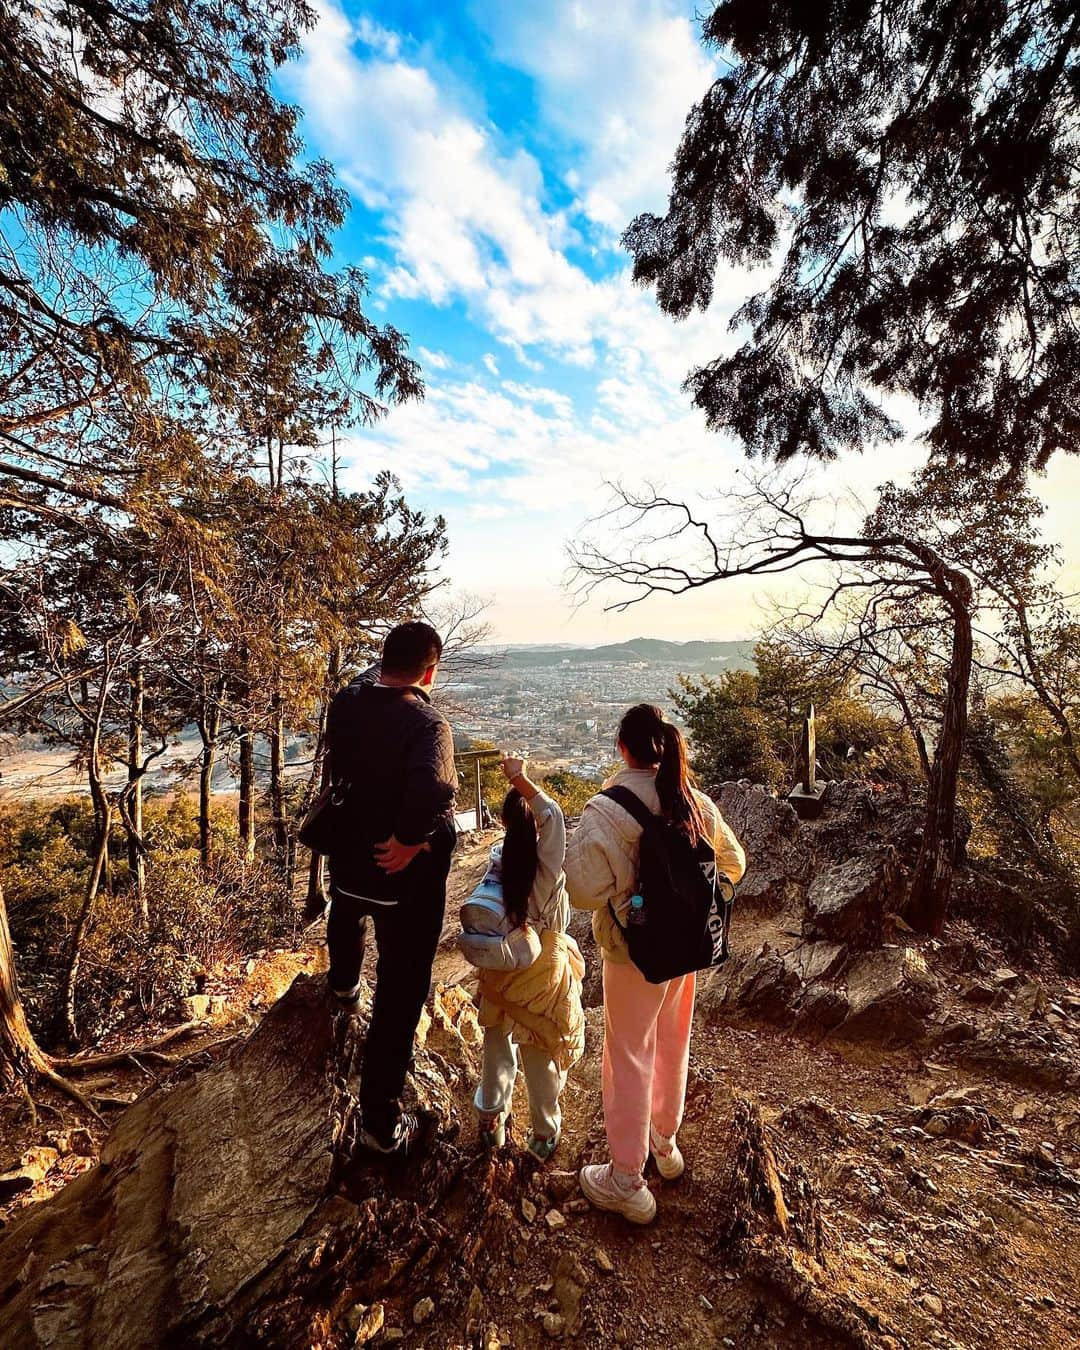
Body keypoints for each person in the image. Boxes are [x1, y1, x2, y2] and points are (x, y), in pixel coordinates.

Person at [565, 704, 746, 1223]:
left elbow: (581, 890)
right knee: (672, 1041)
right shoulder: (694, 800)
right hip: (685, 949)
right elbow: (733, 863)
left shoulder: (606, 809)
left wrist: (630, 896)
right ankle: (664, 1146)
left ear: (623, 746)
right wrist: (692, 902)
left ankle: (625, 1178)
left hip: (632, 954)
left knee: (629, 1054)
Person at [324, 621, 458, 1154]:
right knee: (402, 990)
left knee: (347, 912)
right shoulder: (428, 724)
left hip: (351, 855)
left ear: (383, 659)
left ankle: (342, 988)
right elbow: (437, 785)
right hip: (401, 875)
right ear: (431, 670)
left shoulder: (349, 700)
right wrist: (411, 839)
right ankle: (379, 1122)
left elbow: (367, 684)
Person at [473, 755, 582, 1161]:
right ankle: (543, 1134)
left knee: (497, 1047)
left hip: (499, 967)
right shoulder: (546, 868)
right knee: (540, 1051)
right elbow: (552, 815)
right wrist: (520, 778)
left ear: (503, 824)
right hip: (541, 972)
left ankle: (490, 1124)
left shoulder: (499, 861)